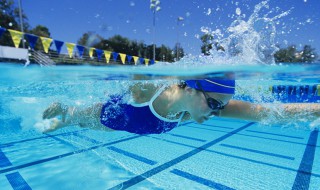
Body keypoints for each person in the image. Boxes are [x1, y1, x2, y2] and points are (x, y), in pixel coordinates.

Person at [42, 78, 320, 134]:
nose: (214, 111)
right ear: (190, 88)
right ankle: (61, 110)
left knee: (82, 126)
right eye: (212, 104)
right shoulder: (154, 89)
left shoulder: (197, 107)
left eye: (218, 106)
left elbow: (261, 113)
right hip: (108, 113)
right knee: (74, 118)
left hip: (119, 129)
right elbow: (131, 80)